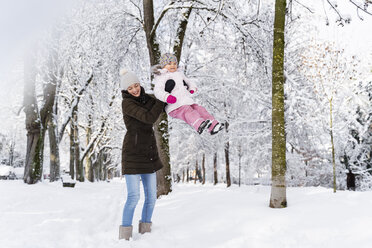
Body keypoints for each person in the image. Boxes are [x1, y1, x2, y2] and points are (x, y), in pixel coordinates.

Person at [119, 68, 164, 240]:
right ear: (126, 90)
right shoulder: (127, 103)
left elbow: (163, 100)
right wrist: (161, 100)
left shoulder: (148, 98)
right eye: (130, 88)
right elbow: (149, 117)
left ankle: (145, 234)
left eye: (136, 85)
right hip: (132, 154)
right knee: (133, 196)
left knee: (151, 197)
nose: (135, 89)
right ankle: (124, 237)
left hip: (149, 154)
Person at [153, 53, 224, 135]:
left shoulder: (179, 74)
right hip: (174, 106)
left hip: (186, 101)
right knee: (188, 111)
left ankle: (213, 126)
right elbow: (157, 91)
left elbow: (189, 82)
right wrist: (167, 97)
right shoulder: (162, 76)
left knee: (200, 109)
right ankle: (199, 124)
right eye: (169, 64)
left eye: (174, 63)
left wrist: (192, 88)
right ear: (163, 66)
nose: (173, 65)